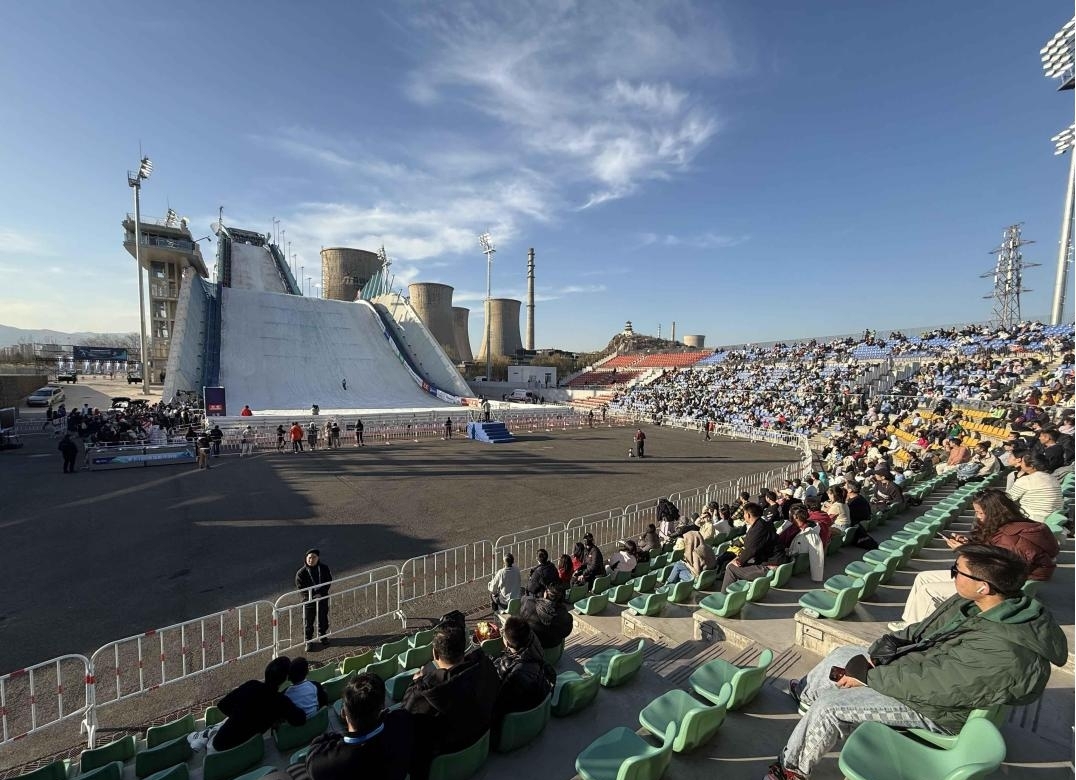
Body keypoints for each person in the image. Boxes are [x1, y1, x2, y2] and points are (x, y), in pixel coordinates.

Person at [769, 545, 1068, 780]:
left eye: (957, 571)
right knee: (843, 653)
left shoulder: (1005, 650)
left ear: (984, 587)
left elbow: (935, 687)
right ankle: (806, 696)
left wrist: (868, 677)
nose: (952, 575)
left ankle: (792, 768)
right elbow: (922, 631)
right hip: (920, 673)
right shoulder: (974, 602)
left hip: (938, 709)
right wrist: (879, 652)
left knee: (830, 706)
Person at [887, 489, 1060, 630]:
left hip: (998, 585)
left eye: (980, 512)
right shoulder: (1013, 526)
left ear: (995, 512)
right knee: (923, 577)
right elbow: (993, 552)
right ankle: (910, 622)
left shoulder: (1011, 538)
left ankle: (917, 630)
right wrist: (969, 544)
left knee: (928, 590)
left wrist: (964, 550)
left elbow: (996, 569)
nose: (978, 517)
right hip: (989, 576)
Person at [402, 624, 501, 780]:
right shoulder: (485, 666)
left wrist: (416, 684)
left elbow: (405, 719)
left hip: (443, 759)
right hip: (478, 744)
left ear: (435, 654)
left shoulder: (423, 693)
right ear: (464, 648)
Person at [290, 673, 411, 780]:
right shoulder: (402, 722)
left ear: (343, 714)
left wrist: (339, 735)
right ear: (382, 706)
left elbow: (312, 757)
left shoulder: (323, 762)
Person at [188, 656, 305, 753]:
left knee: (227, 722)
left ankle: (205, 735)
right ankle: (206, 734)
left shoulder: (252, 685)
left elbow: (223, 706)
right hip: (249, 749)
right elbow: (300, 719)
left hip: (218, 748)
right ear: (285, 678)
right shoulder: (282, 702)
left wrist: (242, 715)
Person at [492, 617, 554, 740]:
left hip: (516, 717)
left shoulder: (515, 674)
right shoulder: (534, 647)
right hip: (534, 700)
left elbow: (500, 703)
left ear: (507, 643)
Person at [721, 503, 781, 592]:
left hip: (769, 567)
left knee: (731, 568)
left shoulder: (758, 528)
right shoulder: (764, 523)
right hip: (774, 561)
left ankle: (724, 595)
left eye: (744, 514)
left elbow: (750, 550)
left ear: (748, 515)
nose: (743, 516)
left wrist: (738, 561)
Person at [1006, 452, 1064, 522]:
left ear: (1031, 465)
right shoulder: (1053, 478)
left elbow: (1007, 499)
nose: (1021, 464)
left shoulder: (1026, 480)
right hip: (1052, 518)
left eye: (1022, 462)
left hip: (1032, 518)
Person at [296, 549, 332, 651]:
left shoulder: (324, 568)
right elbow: (301, 588)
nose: (311, 560)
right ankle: (308, 640)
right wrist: (312, 596)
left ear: (318, 558)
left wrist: (321, 593)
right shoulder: (301, 573)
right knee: (308, 621)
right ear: (306, 558)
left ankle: (322, 635)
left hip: (322, 597)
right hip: (308, 600)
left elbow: (328, 581)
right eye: (309, 558)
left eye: (314, 557)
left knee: (323, 618)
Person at [519, 583, 574, 648]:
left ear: (546, 594)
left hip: (534, 646)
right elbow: (566, 632)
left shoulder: (529, 604)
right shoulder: (563, 612)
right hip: (554, 647)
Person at [783, 505, 825, 582]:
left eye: (790, 513)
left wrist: (817, 577)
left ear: (795, 516)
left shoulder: (811, 533)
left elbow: (817, 555)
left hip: (792, 563)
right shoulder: (790, 525)